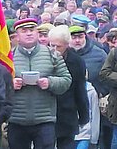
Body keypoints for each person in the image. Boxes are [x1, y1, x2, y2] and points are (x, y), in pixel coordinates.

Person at [8, 18, 72, 149]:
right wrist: (10, 84)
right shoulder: (9, 57)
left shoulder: (52, 54)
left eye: (32, 30)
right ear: (17, 36)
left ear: (37, 33)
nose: (29, 34)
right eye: (24, 31)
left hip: (45, 120)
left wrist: (49, 82)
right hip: (16, 119)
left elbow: (66, 80)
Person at [48, 25, 89, 149]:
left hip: (67, 112)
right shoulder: (44, 57)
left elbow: (80, 90)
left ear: (67, 44)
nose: (54, 49)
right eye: (52, 45)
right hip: (47, 112)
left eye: (58, 46)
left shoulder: (76, 62)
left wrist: (83, 115)